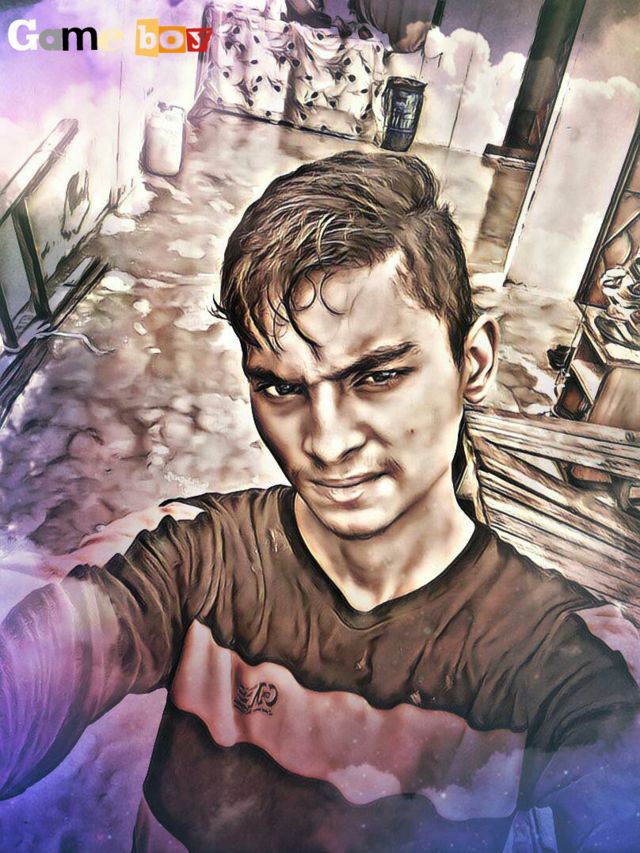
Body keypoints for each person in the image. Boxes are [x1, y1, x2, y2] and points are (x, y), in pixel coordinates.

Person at [1, 152, 639, 852]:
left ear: (474, 362)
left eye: (378, 376)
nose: (326, 442)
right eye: (281, 388)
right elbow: (40, 661)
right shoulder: (196, 554)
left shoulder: (567, 656)